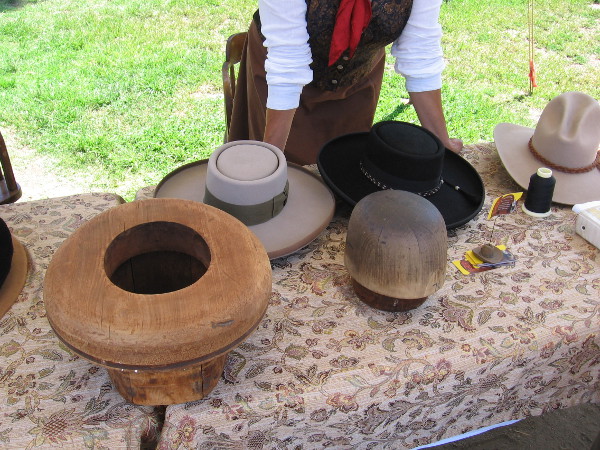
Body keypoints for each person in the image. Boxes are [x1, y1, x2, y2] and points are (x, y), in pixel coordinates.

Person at [228, 0, 462, 166]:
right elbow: (287, 63)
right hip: (279, 84)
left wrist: (441, 141)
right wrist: (271, 161)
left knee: (346, 167)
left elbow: (420, 51)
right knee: (283, 178)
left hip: (357, 80)